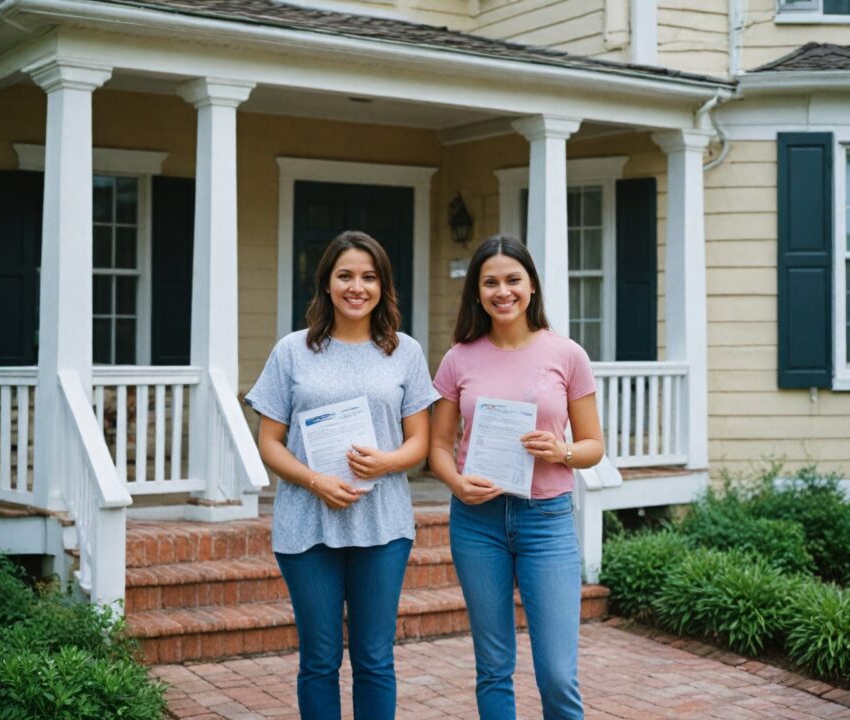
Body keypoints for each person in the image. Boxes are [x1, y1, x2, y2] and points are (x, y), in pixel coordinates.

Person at [245, 230, 438, 720]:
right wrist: (316, 481)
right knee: (319, 660)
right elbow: (269, 442)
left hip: (383, 524)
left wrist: (388, 461)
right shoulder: (292, 351)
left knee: (374, 659)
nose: (357, 287)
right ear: (327, 283)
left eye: (369, 277)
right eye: (346, 275)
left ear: (383, 286)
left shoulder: (405, 352)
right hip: (306, 523)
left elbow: (420, 442)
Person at [429, 234, 604, 720]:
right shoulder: (458, 358)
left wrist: (562, 450)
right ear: (477, 292)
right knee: (493, 667)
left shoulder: (566, 354)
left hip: (545, 521)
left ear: (531, 287)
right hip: (476, 521)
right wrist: (457, 483)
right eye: (490, 283)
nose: (502, 291)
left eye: (512, 280)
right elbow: (438, 446)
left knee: (557, 674)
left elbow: (594, 446)